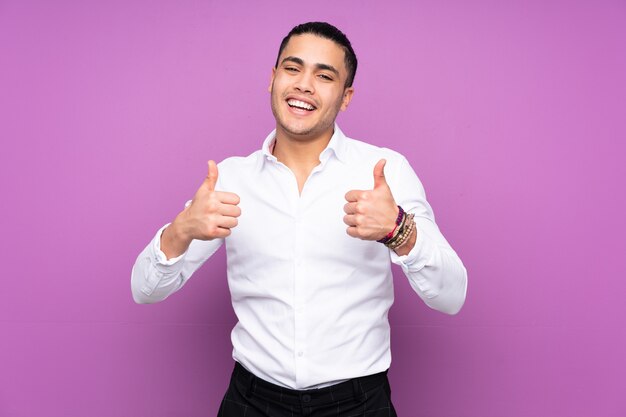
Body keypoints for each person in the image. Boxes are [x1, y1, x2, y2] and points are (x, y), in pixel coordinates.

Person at [131, 21, 467, 417]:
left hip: (359, 405)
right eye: (292, 69)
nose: (304, 85)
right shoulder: (230, 178)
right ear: (273, 79)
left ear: (346, 97)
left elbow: (452, 296)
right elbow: (144, 290)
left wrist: (399, 230)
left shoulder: (386, 171)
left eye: (324, 76)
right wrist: (181, 230)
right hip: (251, 401)